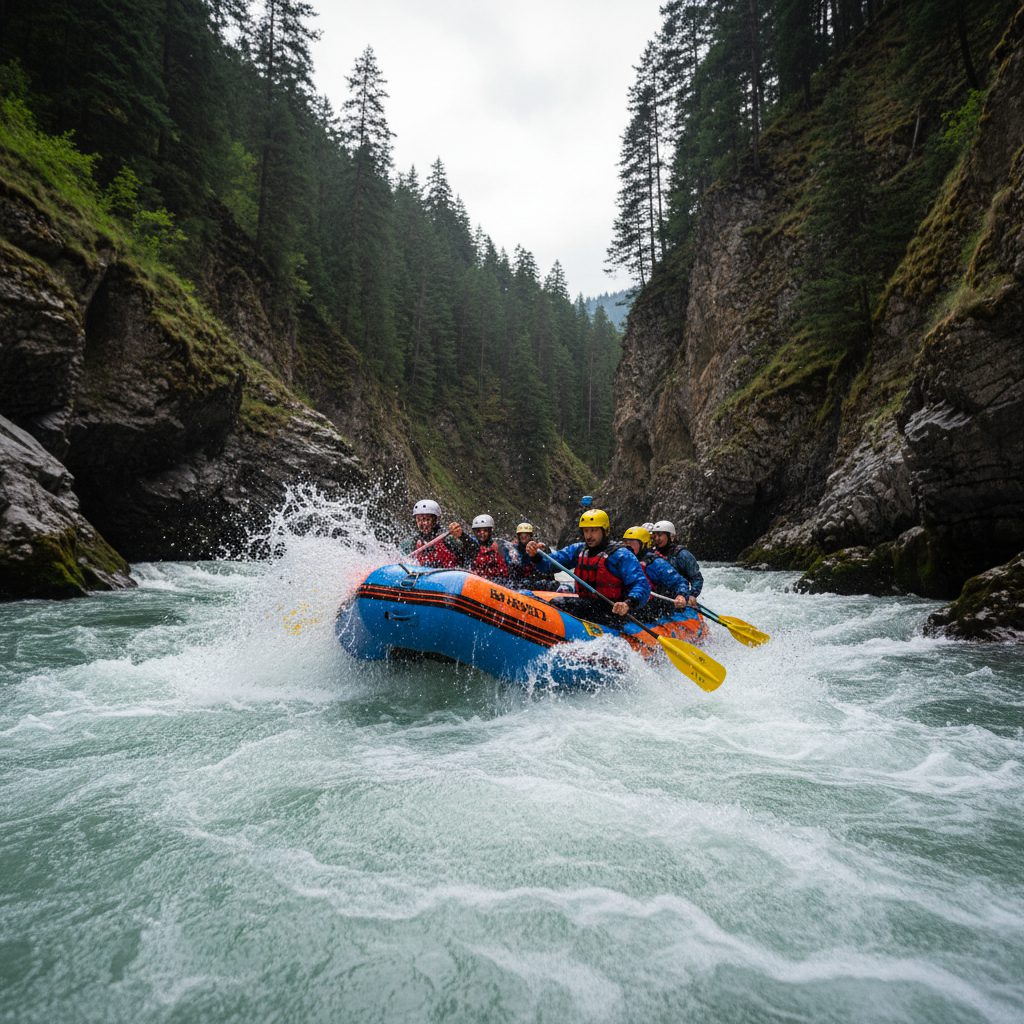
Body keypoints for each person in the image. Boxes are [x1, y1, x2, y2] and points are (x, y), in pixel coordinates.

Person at [526, 508, 650, 626]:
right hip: (587, 605)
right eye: (586, 531)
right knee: (556, 602)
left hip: (612, 612)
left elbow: (641, 584)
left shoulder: (621, 555)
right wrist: (535, 556)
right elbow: (549, 565)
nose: (589, 536)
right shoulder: (578, 550)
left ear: (604, 530)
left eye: (593, 530)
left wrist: (628, 603)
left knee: (558, 603)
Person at [621, 526, 692, 621]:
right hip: (630, 602)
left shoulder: (655, 563)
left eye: (631, 542)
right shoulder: (621, 560)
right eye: (625, 542)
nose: (627, 545)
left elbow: (680, 582)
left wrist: (681, 595)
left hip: (652, 608)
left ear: (644, 544)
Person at [400, 499, 475, 568]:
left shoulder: (448, 538)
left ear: (435, 520)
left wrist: (462, 536)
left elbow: (474, 551)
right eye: (419, 520)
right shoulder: (411, 542)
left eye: (427, 519)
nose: (424, 523)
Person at [649, 520, 703, 606]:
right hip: (660, 599)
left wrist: (692, 595)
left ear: (671, 536)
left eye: (660, 535)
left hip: (679, 599)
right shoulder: (652, 554)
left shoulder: (682, 554)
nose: (656, 539)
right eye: (655, 535)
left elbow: (696, 578)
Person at [467, 514, 510, 580]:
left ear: (490, 531)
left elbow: (505, 572)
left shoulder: (499, 547)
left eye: (485, 530)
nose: (482, 533)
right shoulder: (472, 545)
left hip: (494, 583)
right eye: (478, 531)